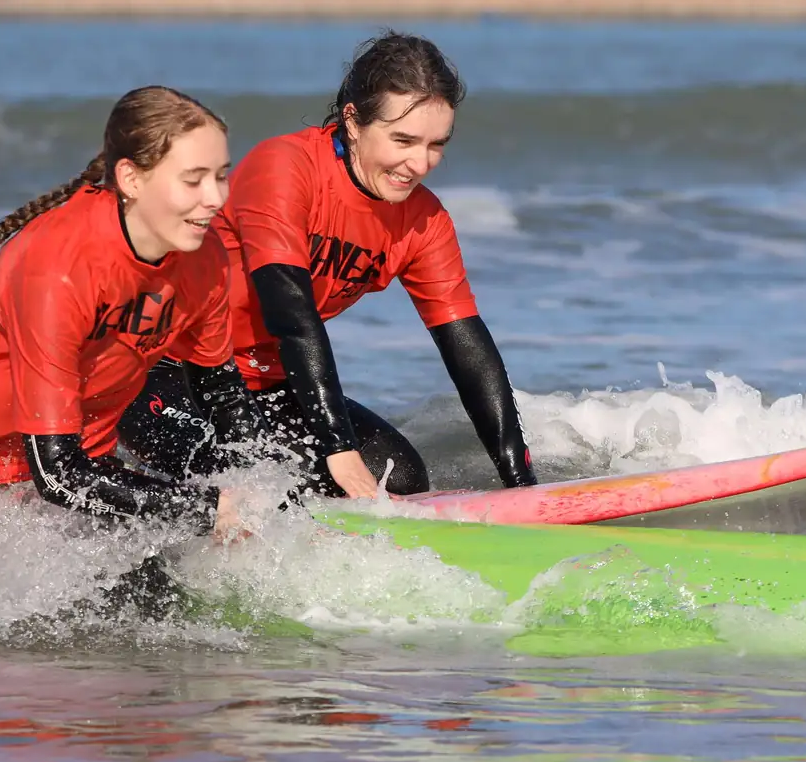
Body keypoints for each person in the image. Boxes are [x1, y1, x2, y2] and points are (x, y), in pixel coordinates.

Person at [123, 31, 535, 500]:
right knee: (247, 488)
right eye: (403, 140)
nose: (419, 163)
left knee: (398, 481)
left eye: (436, 144)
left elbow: (467, 350)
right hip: (160, 368)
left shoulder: (424, 220)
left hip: (270, 382)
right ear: (353, 121)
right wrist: (337, 445)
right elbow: (290, 312)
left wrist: (521, 488)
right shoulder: (285, 168)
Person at [0, 85, 260, 541]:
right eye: (194, 179)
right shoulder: (59, 267)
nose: (216, 197)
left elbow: (221, 393)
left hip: (82, 466)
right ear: (131, 178)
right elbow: (58, 475)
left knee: (163, 603)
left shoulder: (205, 256)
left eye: (222, 176)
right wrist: (205, 512)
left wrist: (253, 492)